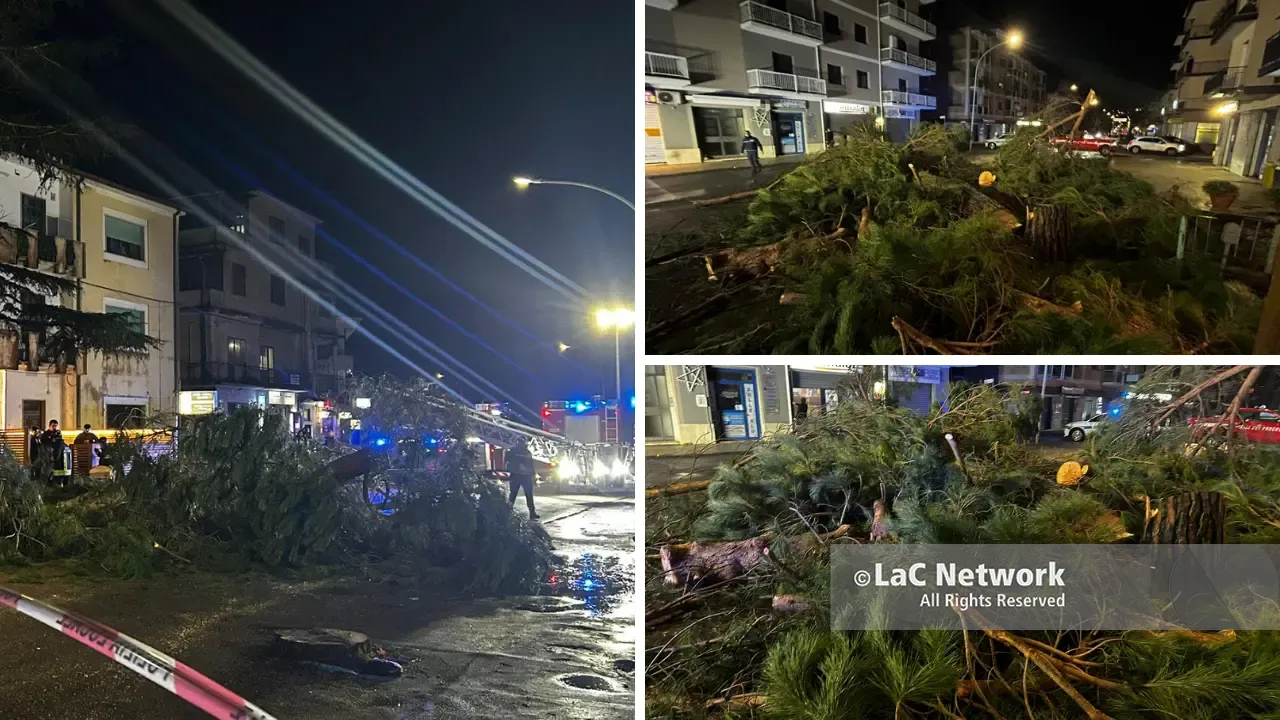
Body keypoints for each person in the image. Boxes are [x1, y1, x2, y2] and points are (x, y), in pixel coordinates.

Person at [506, 441, 538, 520]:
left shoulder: (513, 450)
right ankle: (532, 513)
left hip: (518, 476)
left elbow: (507, 461)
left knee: (513, 495)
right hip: (523, 476)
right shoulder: (526, 452)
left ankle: (507, 512)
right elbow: (531, 464)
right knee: (527, 495)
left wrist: (533, 475)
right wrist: (533, 475)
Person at [40, 420, 68, 487]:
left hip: (56, 457)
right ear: (49, 425)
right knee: (47, 472)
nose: (54, 427)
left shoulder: (57, 433)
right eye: (53, 426)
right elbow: (43, 445)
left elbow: (60, 443)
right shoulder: (45, 434)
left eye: (56, 426)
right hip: (48, 456)